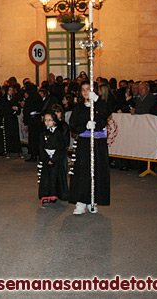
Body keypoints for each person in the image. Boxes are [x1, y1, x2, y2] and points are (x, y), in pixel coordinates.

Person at [69, 82, 111, 215]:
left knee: (96, 171)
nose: (86, 92)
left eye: (88, 89)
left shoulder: (99, 104)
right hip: (84, 142)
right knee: (82, 171)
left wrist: (97, 100)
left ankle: (93, 201)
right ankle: (80, 202)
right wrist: (85, 126)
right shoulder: (79, 107)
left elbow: (106, 113)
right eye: (83, 90)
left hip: (98, 143)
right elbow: (73, 124)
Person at [38, 111, 69, 206]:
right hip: (46, 158)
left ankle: (54, 193)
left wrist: (54, 159)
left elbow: (61, 147)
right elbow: (40, 146)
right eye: (46, 120)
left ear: (54, 121)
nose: (47, 122)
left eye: (50, 120)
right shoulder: (43, 133)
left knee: (55, 176)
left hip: (55, 159)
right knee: (46, 177)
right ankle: (45, 194)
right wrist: (45, 158)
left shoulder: (59, 133)